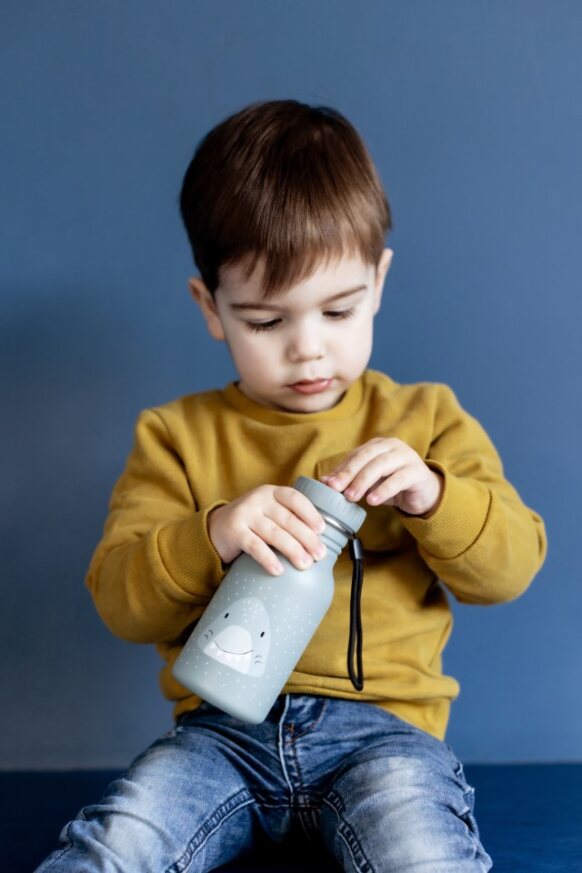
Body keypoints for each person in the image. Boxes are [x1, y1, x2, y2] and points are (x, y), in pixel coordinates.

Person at [36, 99, 547, 873]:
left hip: (385, 737)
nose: (309, 351)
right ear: (211, 309)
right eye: (267, 322)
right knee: (120, 839)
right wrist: (211, 532)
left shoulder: (425, 419)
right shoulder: (175, 436)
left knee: (422, 852)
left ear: (378, 281)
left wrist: (435, 497)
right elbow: (120, 598)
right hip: (218, 738)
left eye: (338, 310)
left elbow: (512, 567)